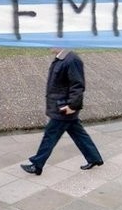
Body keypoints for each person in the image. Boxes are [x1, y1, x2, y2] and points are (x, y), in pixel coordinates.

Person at [20, 48, 104, 176]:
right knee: (79, 134)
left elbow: (78, 85)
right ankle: (94, 158)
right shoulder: (62, 58)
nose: (49, 44)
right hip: (61, 107)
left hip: (64, 109)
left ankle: (37, 165)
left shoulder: (72, 60)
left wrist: (72, 106)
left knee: (50, 136)